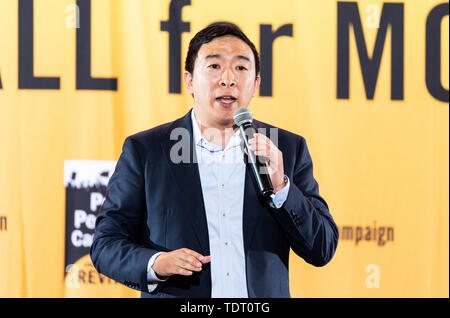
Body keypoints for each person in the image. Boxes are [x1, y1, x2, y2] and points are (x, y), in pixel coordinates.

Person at [90, 23, 338, 298]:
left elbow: (323, 248)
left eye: (241, 68)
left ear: (256, 83)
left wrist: (282, 189)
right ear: (189, 81)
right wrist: (156, 264)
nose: (228, 79)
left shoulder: (287, 149)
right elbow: (106, 245)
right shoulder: (146, 151)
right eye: (214, 66)